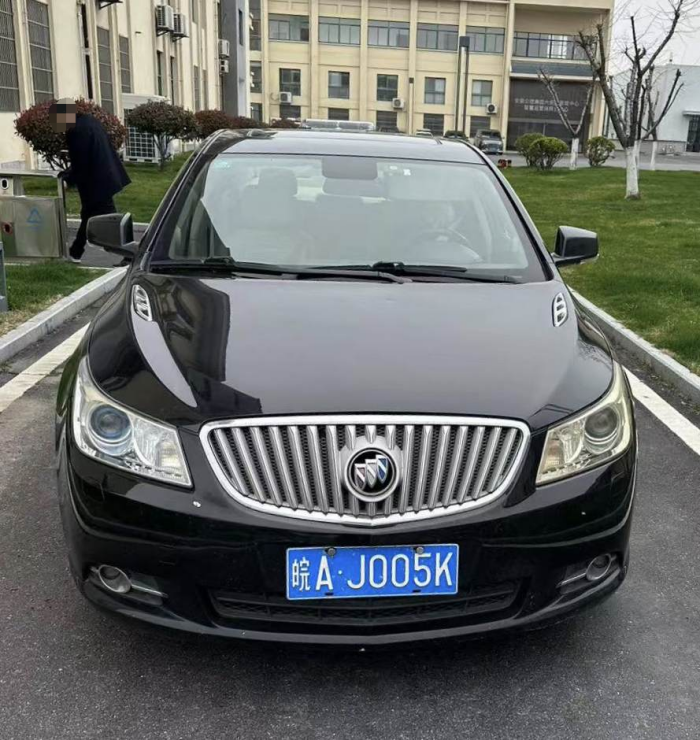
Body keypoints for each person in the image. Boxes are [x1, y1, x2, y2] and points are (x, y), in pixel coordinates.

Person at [50, 99, 131, 263]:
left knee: (109, 220)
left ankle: (129, 254)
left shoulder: (76, 131)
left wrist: (68, 179)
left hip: (96, 181)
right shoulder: (89, 121)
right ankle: (76, 251)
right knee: (89, 215)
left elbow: (80, 161)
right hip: (104, 175)